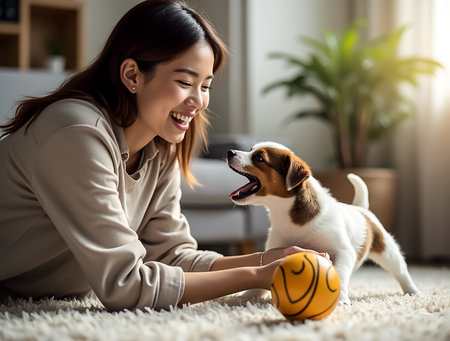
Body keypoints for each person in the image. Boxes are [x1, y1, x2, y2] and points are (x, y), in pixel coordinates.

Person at [0, 0, 325, 311]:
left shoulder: (160, 146)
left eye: (206, 85)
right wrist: (257, 277)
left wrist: (267, 259)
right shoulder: (74, 132)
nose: (198, 101)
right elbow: (125, 284)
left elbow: (171, 256)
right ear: (132, 76)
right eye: (185, 81)